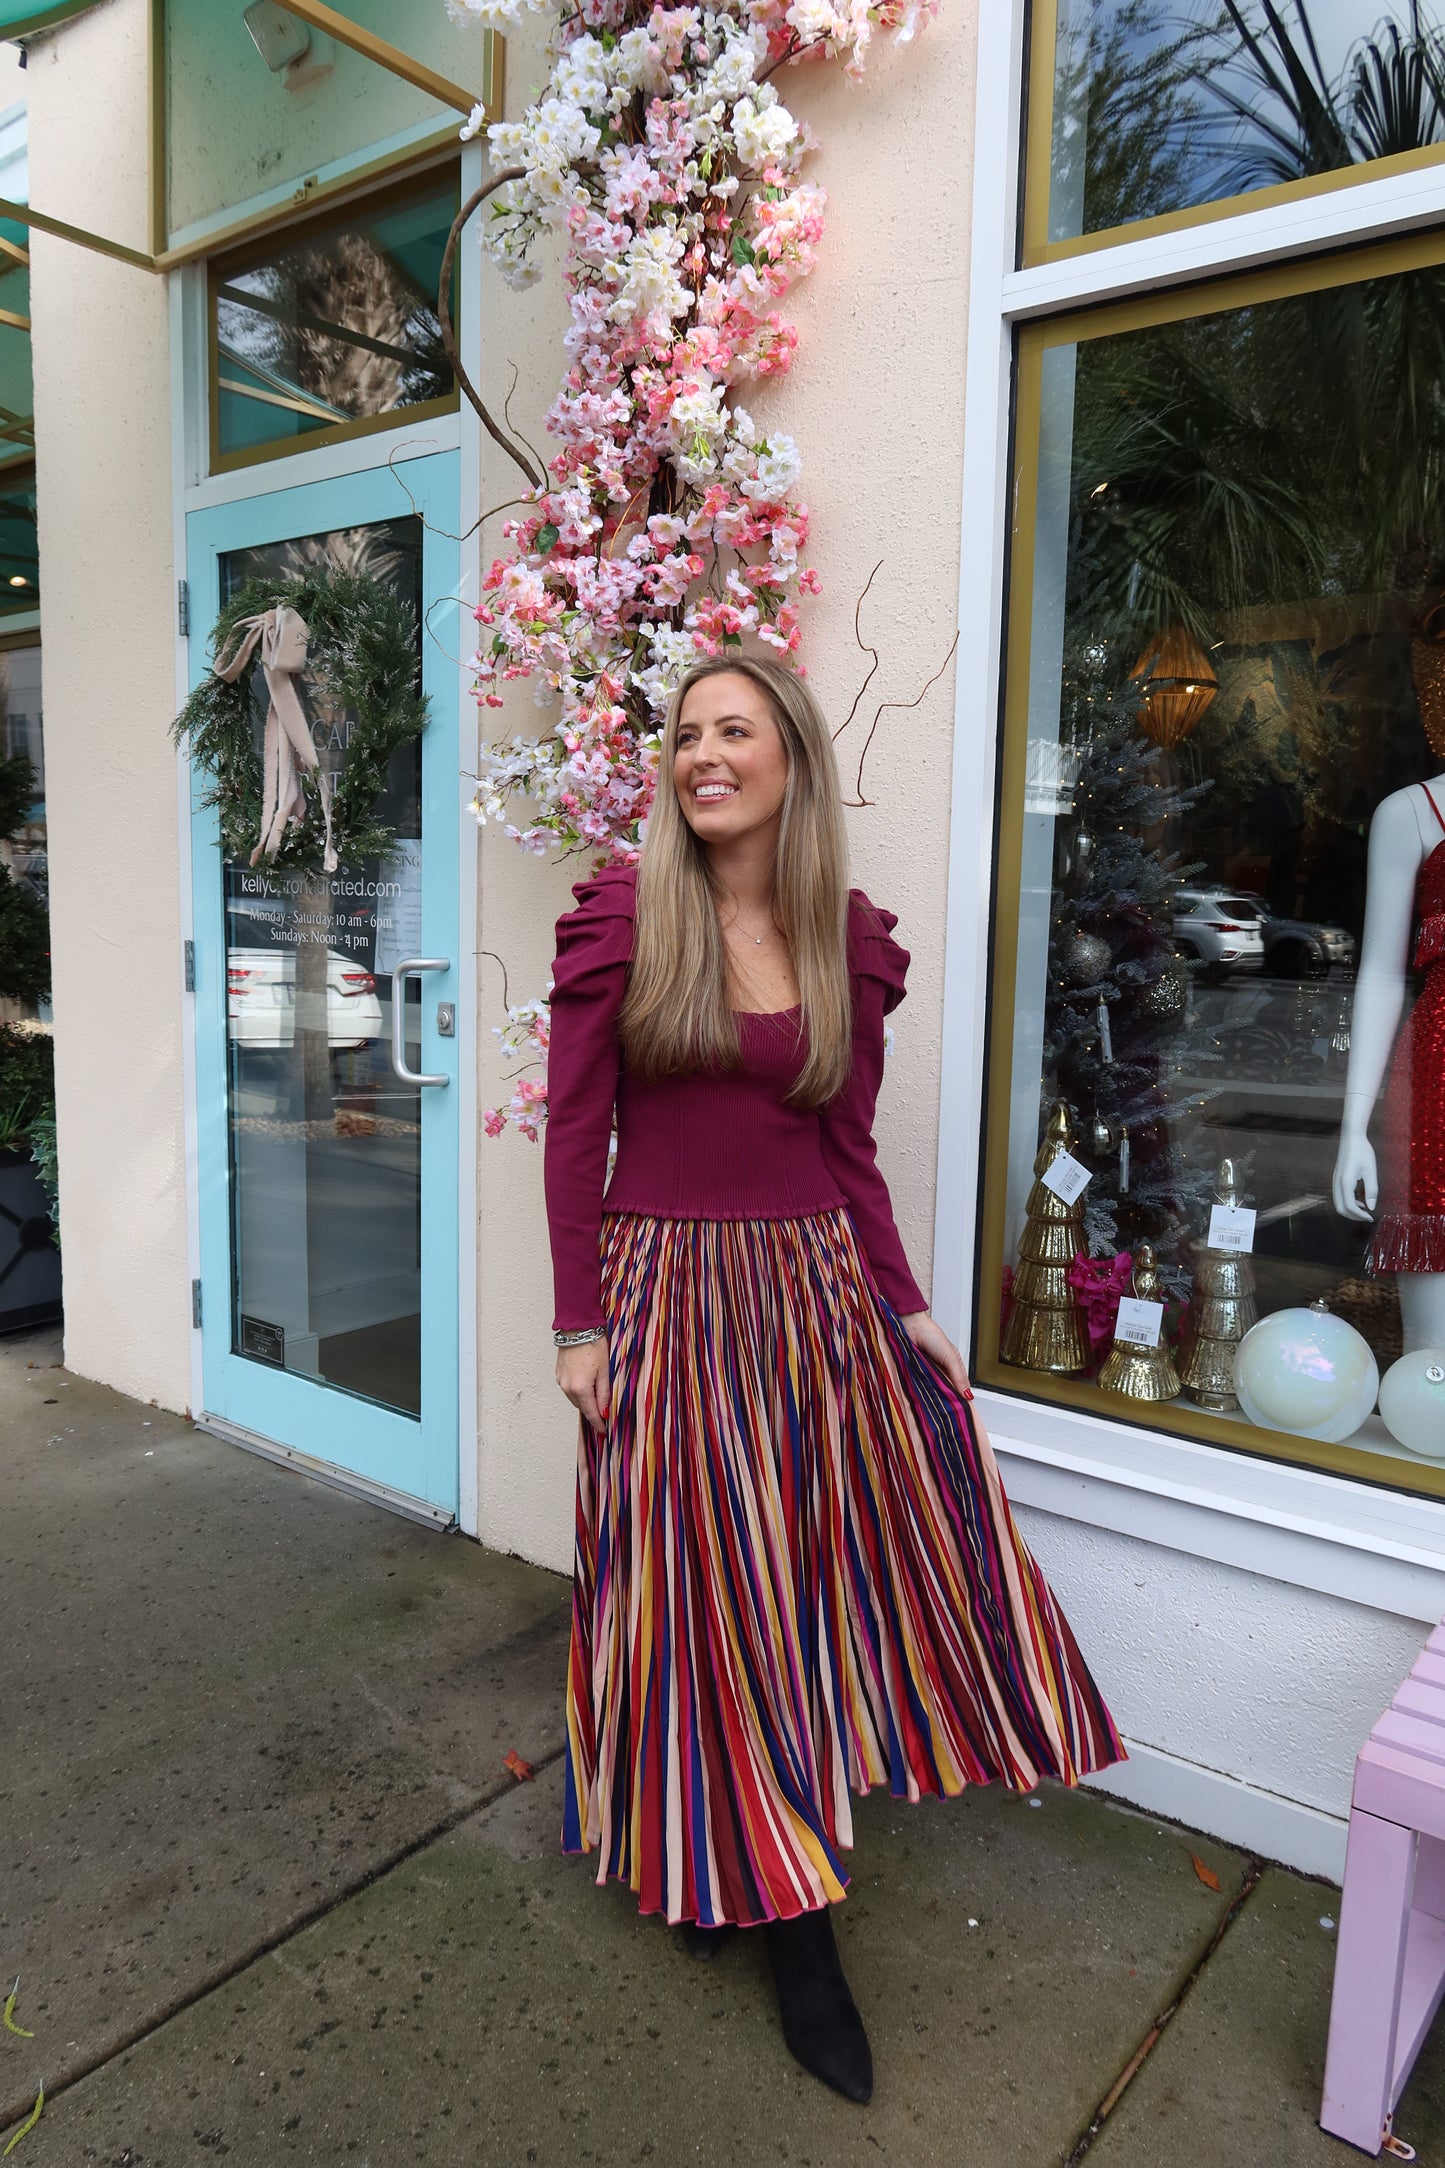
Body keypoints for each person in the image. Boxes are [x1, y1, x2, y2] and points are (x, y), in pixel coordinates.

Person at [543, 655, 1123, 2104]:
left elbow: (845, 1152)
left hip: (809, 1300)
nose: (701, 755)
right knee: (685, 1595)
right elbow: (571, 1142)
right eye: (684, 733)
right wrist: (575, 1326)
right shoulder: (625, 921)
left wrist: (910, 1307)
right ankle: (763, 1905)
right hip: (664, 1299)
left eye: (732, 730)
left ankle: (762, 1889)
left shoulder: (841, 943)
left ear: (791, 759)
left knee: (793, 1591)